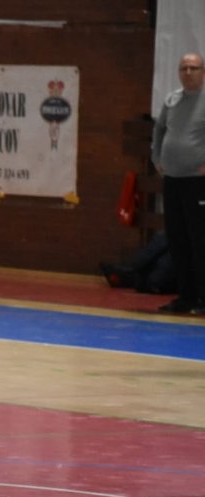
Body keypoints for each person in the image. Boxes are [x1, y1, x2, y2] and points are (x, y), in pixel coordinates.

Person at [152, 52, 205, 315]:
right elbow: (159, 130)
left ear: (203, 72)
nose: (188, 72)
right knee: (177, 239)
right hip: (172, 179)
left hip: (198, 181)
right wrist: (157, 158)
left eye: (193, 68)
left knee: (200, 240)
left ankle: (203, 299)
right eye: (183, 68)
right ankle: (186, 297)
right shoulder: (172, 100)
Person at [99, 230, 176, 294]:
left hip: (155, 281)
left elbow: (140, 261)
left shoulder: (166, 235)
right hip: (174, 286)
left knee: (138, 273)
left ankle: (121, 274)